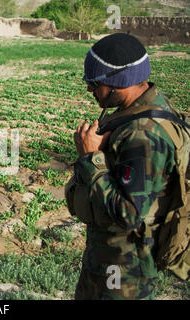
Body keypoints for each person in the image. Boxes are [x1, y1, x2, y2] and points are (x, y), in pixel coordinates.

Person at [65, 33, 184, 299]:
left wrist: (91, 159)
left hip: (122, 270)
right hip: (110, 258)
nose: (90, 90)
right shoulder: (144, 108)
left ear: (118, 83)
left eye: (95, 83)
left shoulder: (142, 134)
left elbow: (130, 214)